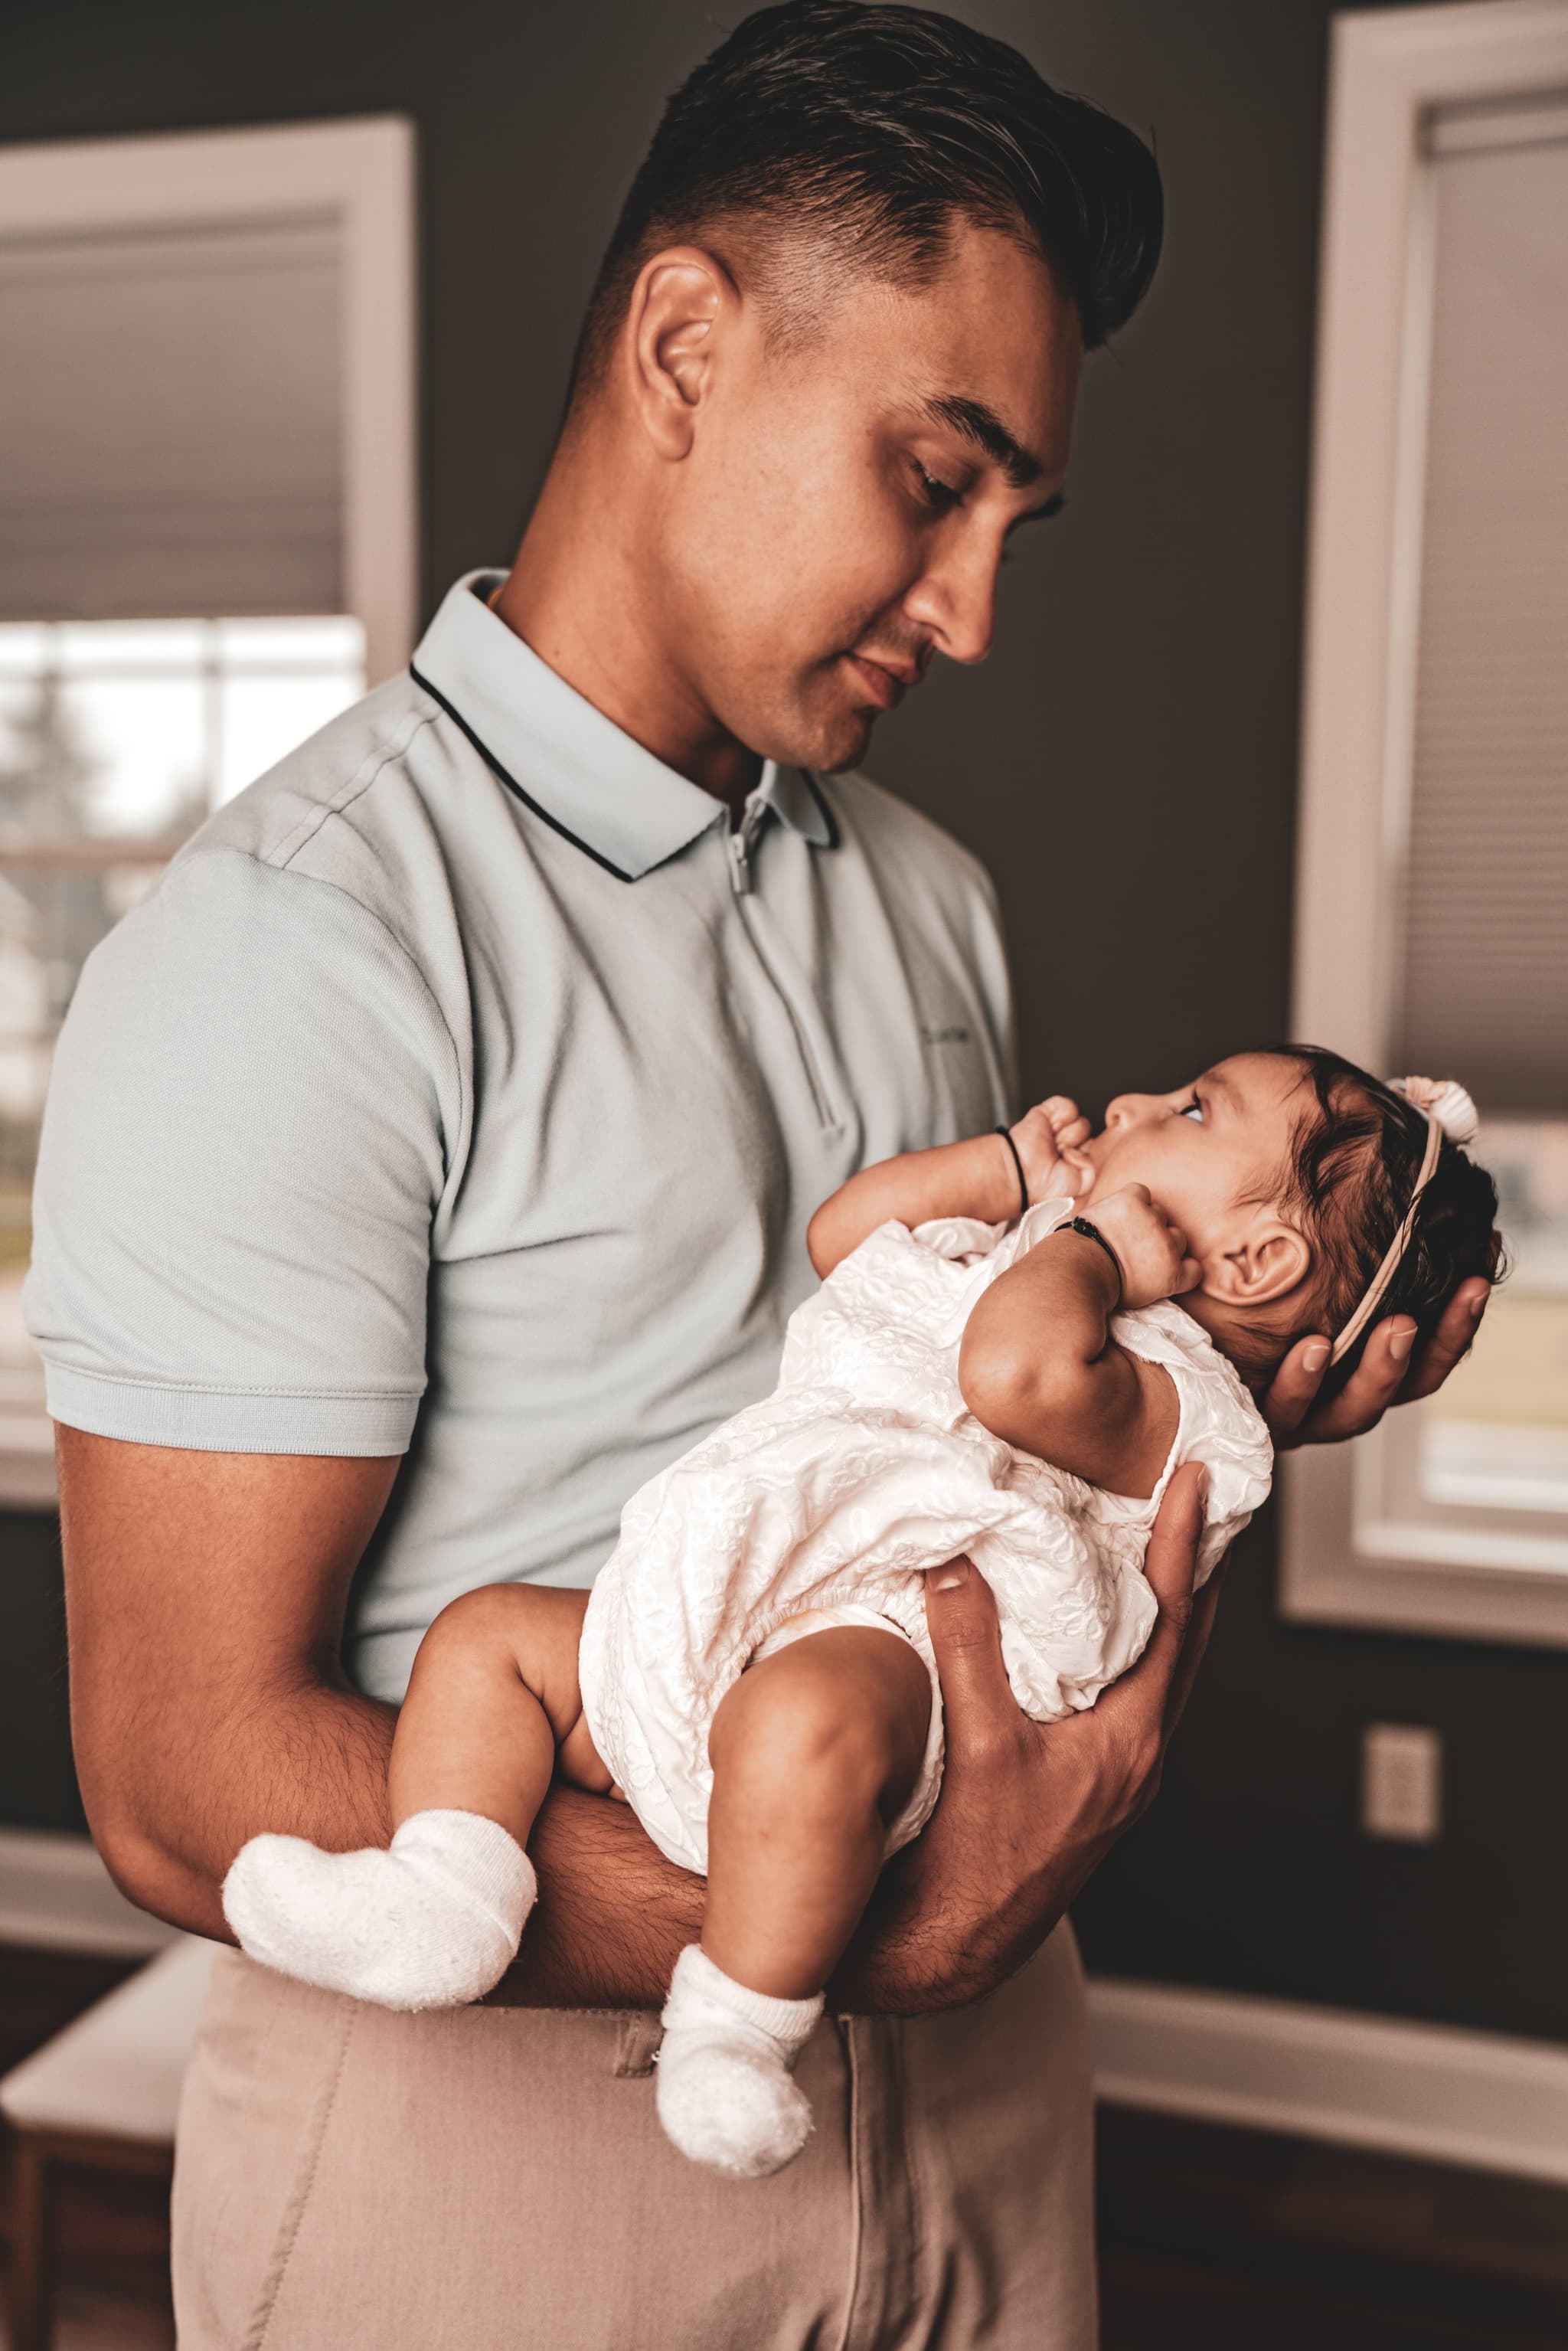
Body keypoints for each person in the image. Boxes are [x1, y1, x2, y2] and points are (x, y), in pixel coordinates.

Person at [24, 5, 1491, 2344]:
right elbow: (183, 1774)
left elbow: (956, 1436)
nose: (980, 607)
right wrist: (818, 1918)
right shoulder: (293, 941)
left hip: (998, 2105)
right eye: (938, 474)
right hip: (506, 2146)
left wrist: (1221, 1381)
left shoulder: (937, 899)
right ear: (686, 344)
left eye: (1022, 517)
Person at [218, 1055, 1496, 2184]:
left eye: (1191, 1107)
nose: (1130, 1102)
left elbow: (1013, 1377)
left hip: (889, 1642)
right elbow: (844, 1242)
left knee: (800, 1717)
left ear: (1258, 1260)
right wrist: (999, 1172)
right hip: (726, 1595)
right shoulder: (1039, 1255)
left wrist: (1094, 1246)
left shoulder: (1180, 1397)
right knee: (488, 1635)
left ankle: (733, 2025)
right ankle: (446, 1891)